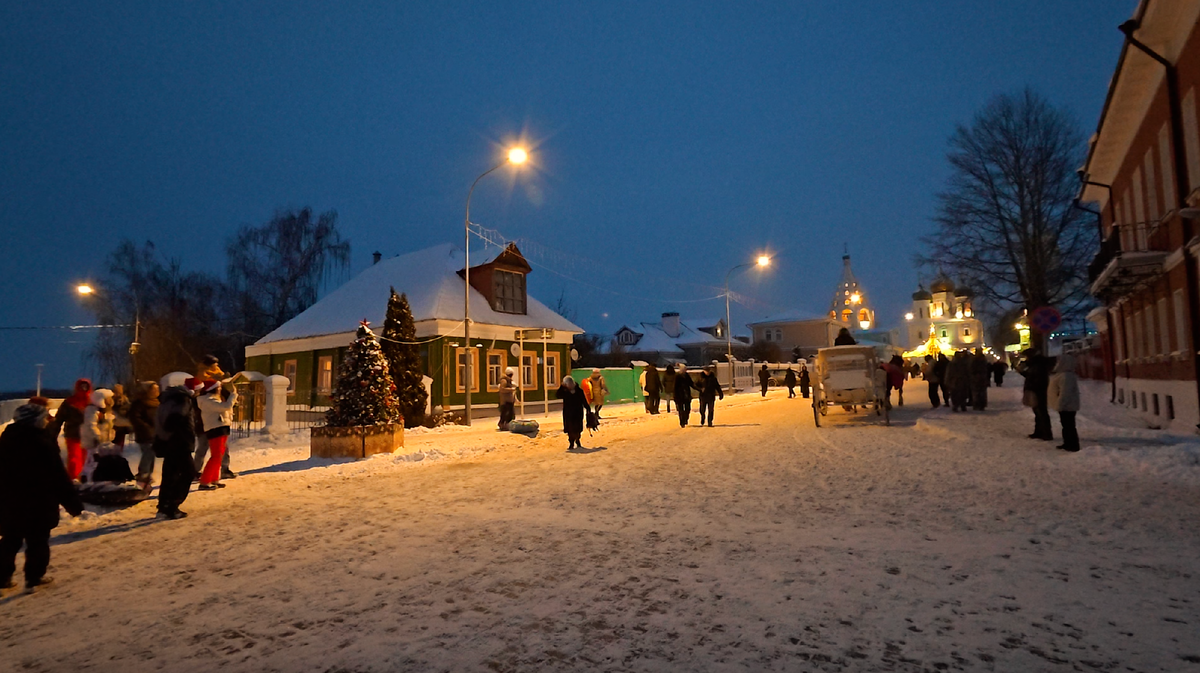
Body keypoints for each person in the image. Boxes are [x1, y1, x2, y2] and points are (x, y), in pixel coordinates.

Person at [0, 399, 84, 592]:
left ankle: (2, 577)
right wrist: (73, 504)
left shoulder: (7, 439)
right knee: (37, 540)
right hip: (39, 500)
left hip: (10, 501)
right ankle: (34, 577)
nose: (47, 421)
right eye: (44, 418)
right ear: (35, 420)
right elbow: (57, 475)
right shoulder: (42, 441)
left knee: (11, 539)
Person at [155, 377, 200, 519]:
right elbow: (176, 418)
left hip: (168, 442)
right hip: (180, 442)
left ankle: (163, 506)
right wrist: (178, 434)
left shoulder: (168, 399)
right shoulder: (183, 400)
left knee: (169, 474)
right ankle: (172, 506)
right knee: (188, 473)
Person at [197, 380, 238, 491]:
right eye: (219, 387)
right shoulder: (208, 401)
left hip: (221, 428)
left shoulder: (213, 399)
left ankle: (214, 479)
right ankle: (204, 481)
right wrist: (233, 395)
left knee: (219, 455)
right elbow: (226, 406)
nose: (220, 389)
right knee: (216, 456)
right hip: (215, 429)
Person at [51, 378, 92, 480]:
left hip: (89, 436)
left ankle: (85, 480)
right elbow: (59, 418)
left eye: (85, 386)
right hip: (73, 435)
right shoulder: (69, 402)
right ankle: (73, 480)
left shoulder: (93, 402)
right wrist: (53, 434)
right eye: (81, 386)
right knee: (74, 460)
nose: (83, 388)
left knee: (87, 460)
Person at [128, 381, 160, 489]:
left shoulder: (156, 402)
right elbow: (135, 417)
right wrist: (146, 427)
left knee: (152, 454)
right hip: (144, 433)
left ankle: (148, 474)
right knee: (148, 452)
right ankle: (143, 474)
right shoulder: (139, 403)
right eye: (154, 389)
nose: (156, 391)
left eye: (157, 389)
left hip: (155, 432)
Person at [1017, 348, 1053, 441]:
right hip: (1037, 389)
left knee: (1041, 411)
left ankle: (1046, 433)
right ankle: (1039, 431)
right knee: (1037, 411)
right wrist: (1022, 371)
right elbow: (1031, 375)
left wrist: (1032, 386)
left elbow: (1036, 378)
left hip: (1038, 390)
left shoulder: (1038, 365)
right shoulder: (1036, 364)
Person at [1047, 354, 1080, 452]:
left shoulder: (1066, 376)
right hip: (1066, 405)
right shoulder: (1063, 374)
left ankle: (1072, 445)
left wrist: (1059, 405)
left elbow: (1065, 393)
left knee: (1069, 426)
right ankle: (1068, 443)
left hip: (1067, 406)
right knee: (1066, 425)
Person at [80, 388, 115, 482]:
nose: (111, 400)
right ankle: (87, 479)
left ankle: (95, 479)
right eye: (108, 398)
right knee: (92, 461)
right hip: (94, 441)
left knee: (96, 461)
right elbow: (91, 425)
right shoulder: (92, 410)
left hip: (103, 441)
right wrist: (98, 436)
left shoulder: (106, 410)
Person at [556, 376, 589, 450]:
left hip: (578, 412)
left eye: (570, 383)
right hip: (568, 413)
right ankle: (571, 443)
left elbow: (583, 400)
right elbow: (557, 395)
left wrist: (588, 408)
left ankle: (577, 440)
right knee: (570, 428)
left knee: (577, 427)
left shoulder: (579, 390)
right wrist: (561, 387)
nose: (570, 385)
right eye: (568, 384)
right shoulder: (564, 391)